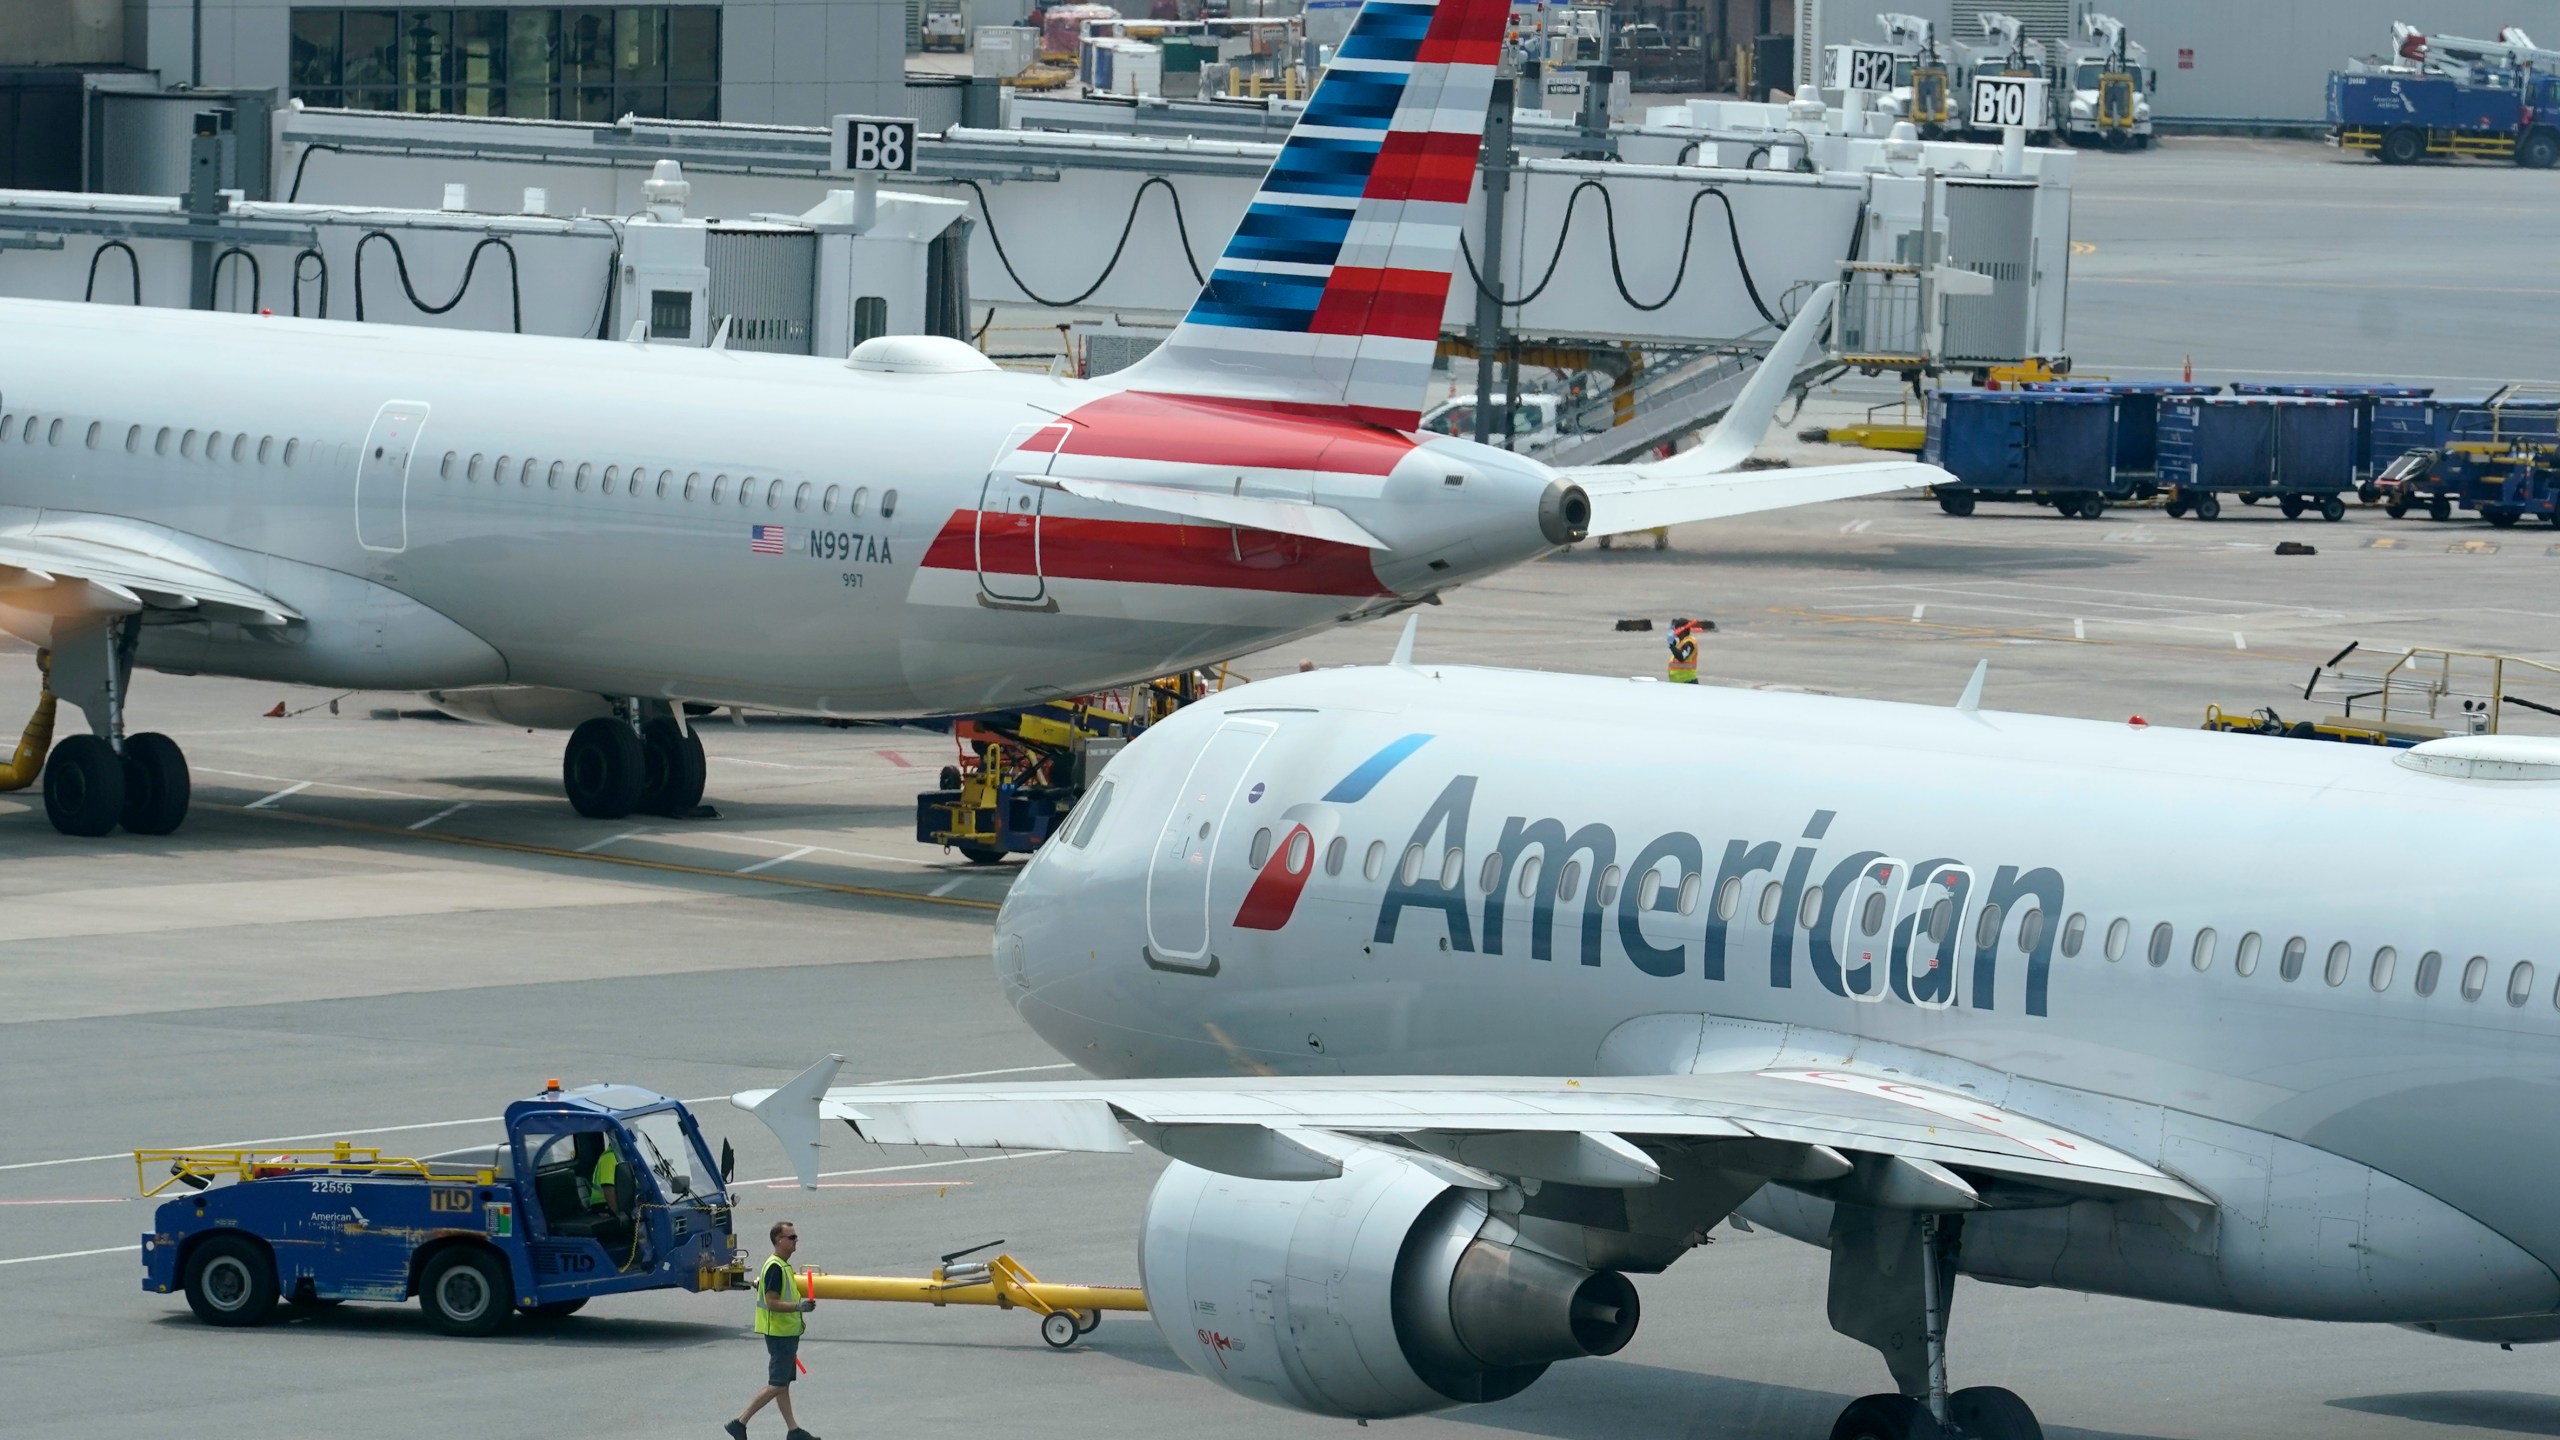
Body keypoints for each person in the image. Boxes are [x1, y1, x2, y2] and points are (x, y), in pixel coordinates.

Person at [729, 1221, 819, 1440]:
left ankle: (793, 1430)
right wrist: (799, 1307)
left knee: (783, 1384)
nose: (796, 1240)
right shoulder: (776, 1268)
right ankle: (739, 1422)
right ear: (779, 1240)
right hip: (780, 1334)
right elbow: (772, 1302)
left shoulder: (781, 1265)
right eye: (791, 1237)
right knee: (777, 1384)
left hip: (785, 1332)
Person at [1666, 617, 1704, 684]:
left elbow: (1682, 657)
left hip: (1688, 681)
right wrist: (1673, 645)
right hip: (1679, 682)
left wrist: (1671, 646)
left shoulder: (1689, 643)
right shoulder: (1681, 642)